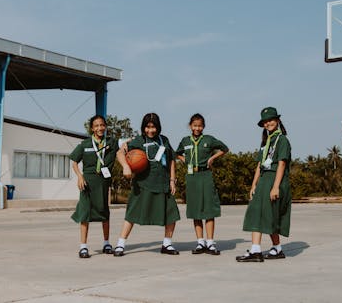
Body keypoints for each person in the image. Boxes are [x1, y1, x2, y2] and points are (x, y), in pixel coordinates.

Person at [113, 113, 180, 256]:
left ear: (158, 127)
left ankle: (167, 244)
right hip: (143, 184)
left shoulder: (164, 140)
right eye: (148, 127)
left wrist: (172, 180)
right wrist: (125, 166)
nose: (151, 130)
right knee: (131, 214)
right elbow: (120, 153)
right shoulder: (138, 140)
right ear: (143, 128)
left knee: (171, 214)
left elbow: (172, 160)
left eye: (153, 127)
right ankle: (120, 244)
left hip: (163, 183)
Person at [236, 107, 292, 262]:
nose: (268, 123)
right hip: (263, 180)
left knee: (258, 214)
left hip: (274, 179)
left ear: (278, 120)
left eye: (271, 120)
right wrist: (254, 185)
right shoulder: (266, 142)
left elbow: (281, 164)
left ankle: (255, 251)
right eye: (265, 122)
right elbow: (259, 165)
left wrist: (275, 186)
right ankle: (277, 248)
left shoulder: (282, 140)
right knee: (265, 215)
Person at [176, 113, 229, 255]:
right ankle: (200, 242)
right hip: (192, 176)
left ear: (203, 126)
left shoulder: (209, 139)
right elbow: (177, 153)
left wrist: (212, 158)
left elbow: (225, 148)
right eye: (195, 125)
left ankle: (210, 243)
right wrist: (184, 160)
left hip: (205, 175)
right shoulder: (185, 141)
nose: (197, 128)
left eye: (200, 125)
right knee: (196, 210)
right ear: (190, 126)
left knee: (209, 210)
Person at [70, 114, 118, 258]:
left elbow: (125, 147)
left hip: (103, 182)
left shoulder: (112, 142)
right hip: (87, 183)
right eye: (96, 126)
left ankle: (106, 243)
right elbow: (74, 162)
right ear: (92, 128)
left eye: (102, 125)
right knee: (85, 213)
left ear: (105, 127)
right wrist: (80, 176)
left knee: (104, 212)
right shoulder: (85, 144)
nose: (99, 128)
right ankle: (83, 247)